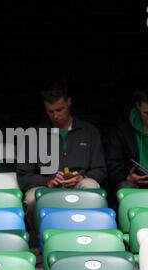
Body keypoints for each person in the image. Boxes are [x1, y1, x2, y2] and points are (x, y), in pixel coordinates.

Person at [16, 79, 107, 236]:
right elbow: (24, 177)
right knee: (31, 198)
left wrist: (82, 177)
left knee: (90, 185)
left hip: (79, 184)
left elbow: (101, 170)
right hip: (48, 186)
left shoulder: (89, 131)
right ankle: (41, 239)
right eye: (50, 111)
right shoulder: (34, 134)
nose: (55, 115)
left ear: (69, 102)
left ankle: (89, 235)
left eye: (60, 109)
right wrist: (49, 182)